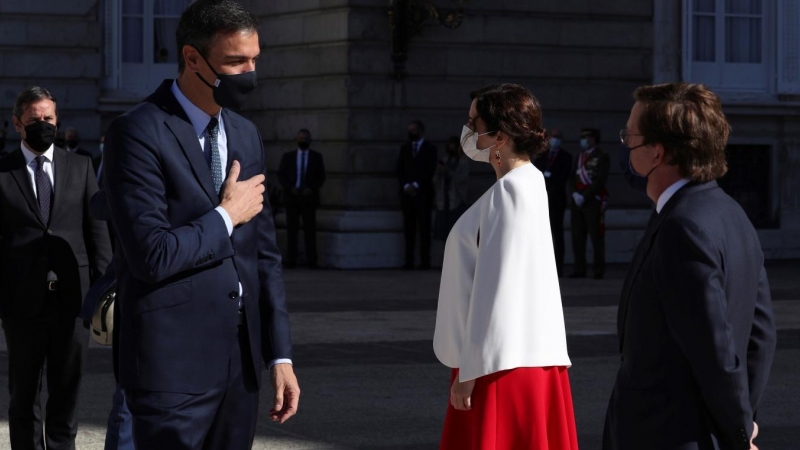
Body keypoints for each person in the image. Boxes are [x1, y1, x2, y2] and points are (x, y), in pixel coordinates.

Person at [102, 1, 299, 448]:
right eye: (235, 62)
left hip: (241, 368)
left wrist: (279, 355)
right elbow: (151, 255)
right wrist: (227, 215)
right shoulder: (136, 132)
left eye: (254, 60)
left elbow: (263, 257)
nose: (249, 72)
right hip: (171, 367)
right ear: (193, 58)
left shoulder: (246, 133)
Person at [603, 83, 777, 450]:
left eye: (629, 136)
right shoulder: (730, 212)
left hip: (668, 434)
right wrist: (745, 420)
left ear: (657, 153)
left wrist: (739, 433)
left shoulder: (683, 227)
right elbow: (760, 338)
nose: (624, 146)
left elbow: (715, 350)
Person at [434, 83, 578, 450]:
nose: (467, 132)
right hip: (517, 356)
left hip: (500, 365)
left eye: (473, 123)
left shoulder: (510, 190)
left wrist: (470, 372)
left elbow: (497, 287)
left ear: (498, 136)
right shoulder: (526, 182)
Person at [0, 86, 112, 449]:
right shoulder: (2, 172)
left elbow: (97, 233)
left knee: (66, 397)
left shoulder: (81, 166)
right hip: (21, 306)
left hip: (73, 303)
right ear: (18, 124)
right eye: (34, 120)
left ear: (58, 120)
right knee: (23, 399)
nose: (43, 125)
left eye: (49, 119)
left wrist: (103, 290)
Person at [278, 128, 326, 268]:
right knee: (291, 231)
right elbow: (282, 175)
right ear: (296, 140)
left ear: (310, 141)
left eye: (305, 139)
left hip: (309, 198)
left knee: (310, 230)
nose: (303, 141)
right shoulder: (288, 157)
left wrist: (311, 189)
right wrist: (289, 188)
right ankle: (291, 259)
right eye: (301, 139)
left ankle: (312, 260)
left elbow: (321, 176)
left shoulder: (316, 157)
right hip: (292, 198)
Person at [568, 127, 609, 279]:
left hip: (592, 201)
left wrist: (585, 196)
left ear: (593, 139)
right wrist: (574, 193)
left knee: (596, 237)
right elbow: (572, 177)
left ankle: (598, 269)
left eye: (587, 138)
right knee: (577, 237)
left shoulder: (603, 156)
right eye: (582, 138)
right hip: (577, 201)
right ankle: (580, 268)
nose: (584, 141)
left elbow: (600, 181)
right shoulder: (579, 156)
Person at [397, 120, 437, 269]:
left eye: (413, 130)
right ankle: (409, 261)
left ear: (420, 131)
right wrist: (406, 185)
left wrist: (416, 184)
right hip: (407, 195)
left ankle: (425, 261)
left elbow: (430, 170)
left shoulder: (430, 149)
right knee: (409, 229)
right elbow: (399, 169)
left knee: (424, 229)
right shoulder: (405, 148)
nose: (411, 133)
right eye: (410, 130)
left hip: (423, 194)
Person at [533, 128, 573, 276]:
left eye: (558, 137)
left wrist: (548, 178)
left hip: (557, 200)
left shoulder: (566, 157)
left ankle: (558, 268)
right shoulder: (542, 156)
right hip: (542, 200)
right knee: (541, 234)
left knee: (557, 234)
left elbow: (562, 179)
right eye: (553, 137)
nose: (555, 140)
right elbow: (536, 174)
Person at [432, 136, 469, 241]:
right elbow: (435, 180)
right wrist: (440, 172)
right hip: (443, 200)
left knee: (457, 231)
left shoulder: (463, 162)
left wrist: (448, 171)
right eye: (449, 146)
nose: (451, 149)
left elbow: (462, 179)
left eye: (453, 146)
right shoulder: (444, 160)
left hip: (457, 199)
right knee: (443, 232)